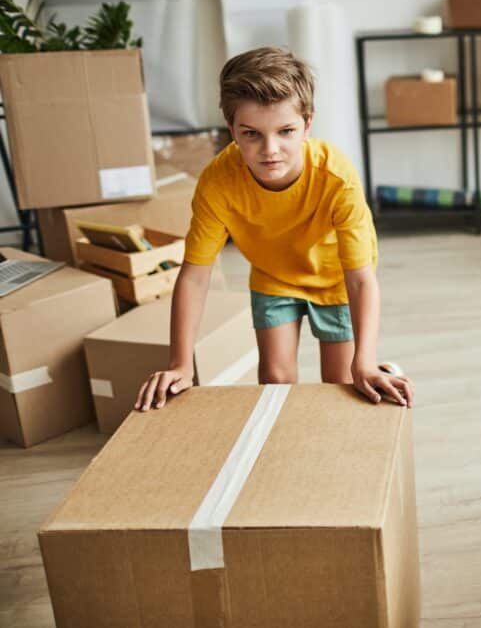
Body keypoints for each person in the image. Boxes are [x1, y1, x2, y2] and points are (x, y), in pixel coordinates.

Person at [136, 47, 411, 410]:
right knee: (276, 382)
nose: (270, 150)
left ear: (307, 124)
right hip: (274, 277)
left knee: (343, 383)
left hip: (335, 280)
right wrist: (180, 364)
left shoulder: (336, 177)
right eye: (251, 134)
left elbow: (361, 279)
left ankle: (376, 367)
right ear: (231, 127)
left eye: (286, 131)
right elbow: (194, 277)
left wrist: (364, 358)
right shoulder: (218, 182)